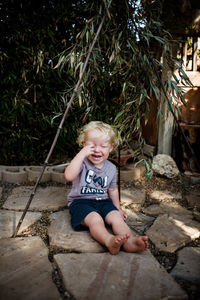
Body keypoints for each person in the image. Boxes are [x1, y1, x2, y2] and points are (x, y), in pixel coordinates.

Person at [65, 121, 148, 255]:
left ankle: (130, 242)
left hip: (103, 201)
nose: (97, 150)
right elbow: (69, 176)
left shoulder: (111, 168)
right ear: (84, 145)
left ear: (110, 148)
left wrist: (118, 208)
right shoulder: (82, 163)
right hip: (81, 202)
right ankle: (109, 241)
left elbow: (113, 190)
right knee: (95, 219)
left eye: (103, 146)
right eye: (92, 146)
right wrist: (81, 154)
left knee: (116, 218)